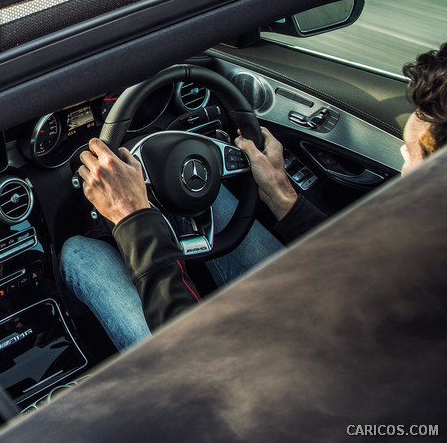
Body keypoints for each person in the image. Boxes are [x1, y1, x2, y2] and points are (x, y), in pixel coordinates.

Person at [61, 42, 447, 351]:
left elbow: (191, 358)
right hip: (326, 320)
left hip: (262, 382)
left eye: (411, 153)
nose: (402, 160)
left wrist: (132, 215)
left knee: (81, 253)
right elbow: (357, 271)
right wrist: (280, 192)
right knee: (212, 202)